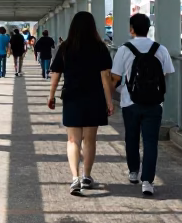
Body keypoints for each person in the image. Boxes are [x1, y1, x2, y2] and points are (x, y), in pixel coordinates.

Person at [47, 11, 114, 196]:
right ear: (93, 26)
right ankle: (86, 176)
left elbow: (56, 74)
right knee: (90, 139)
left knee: (73, 139)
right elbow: (105, 77)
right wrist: (109, 102)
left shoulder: (66, 47)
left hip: (72, 96)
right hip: (94, 97)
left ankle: (75, 178)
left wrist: (51, 95)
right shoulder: (100, 47)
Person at [109, 12, 174, 197]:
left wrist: (107, 98)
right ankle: (147, 181)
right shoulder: (160, 49)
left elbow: (115, 77)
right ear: (148, 29)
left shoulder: (124, 49)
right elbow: (167, 73)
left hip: (130, 102)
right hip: (154, 103)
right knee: (150, 141)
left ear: (131, 29)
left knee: (131, 137)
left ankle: (133, 172)